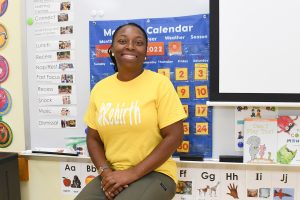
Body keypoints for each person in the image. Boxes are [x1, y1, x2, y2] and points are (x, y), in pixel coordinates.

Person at [75, 23, 186, 200]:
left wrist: (132, 173)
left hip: (156, 174)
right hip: (112, 175)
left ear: (146, 51)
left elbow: (174, 136)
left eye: (139, 42)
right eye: (122, 41)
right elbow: (93, 138)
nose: (130, 46)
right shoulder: (100, 89)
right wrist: (105, 173)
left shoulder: (160, 85)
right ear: (111, 49)